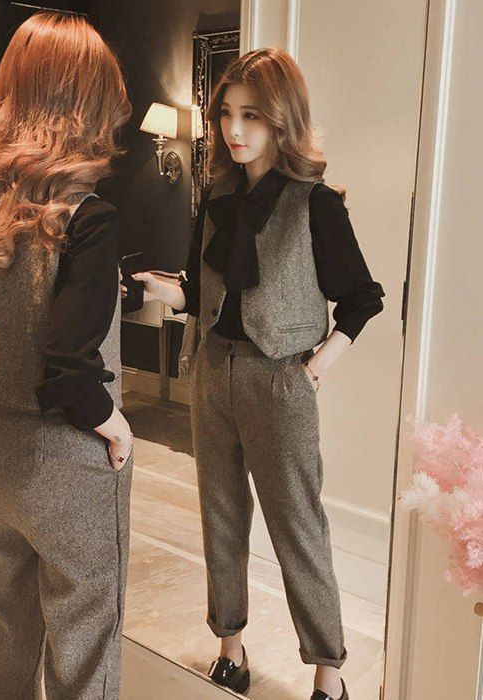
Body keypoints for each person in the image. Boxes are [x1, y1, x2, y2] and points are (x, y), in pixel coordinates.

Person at [133, 47, 385, 700]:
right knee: (220, 517)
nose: (234, 129)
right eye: (226, 114)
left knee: (297, 527)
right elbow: (203, 295)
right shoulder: (216, 196)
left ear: (282, 119)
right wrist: (165, 292)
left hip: (279, 381)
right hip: (213, 372)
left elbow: (362, 298)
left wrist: (316, 366)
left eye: (251, 115)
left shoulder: (315, 203)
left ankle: (329, 673)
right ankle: (231, 649)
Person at [0, 12, 134, 699]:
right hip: (68, 456)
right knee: (85, 644)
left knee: (7, 630)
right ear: (87, 103)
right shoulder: (88, 216)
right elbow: (70, 369)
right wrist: (115, 425)